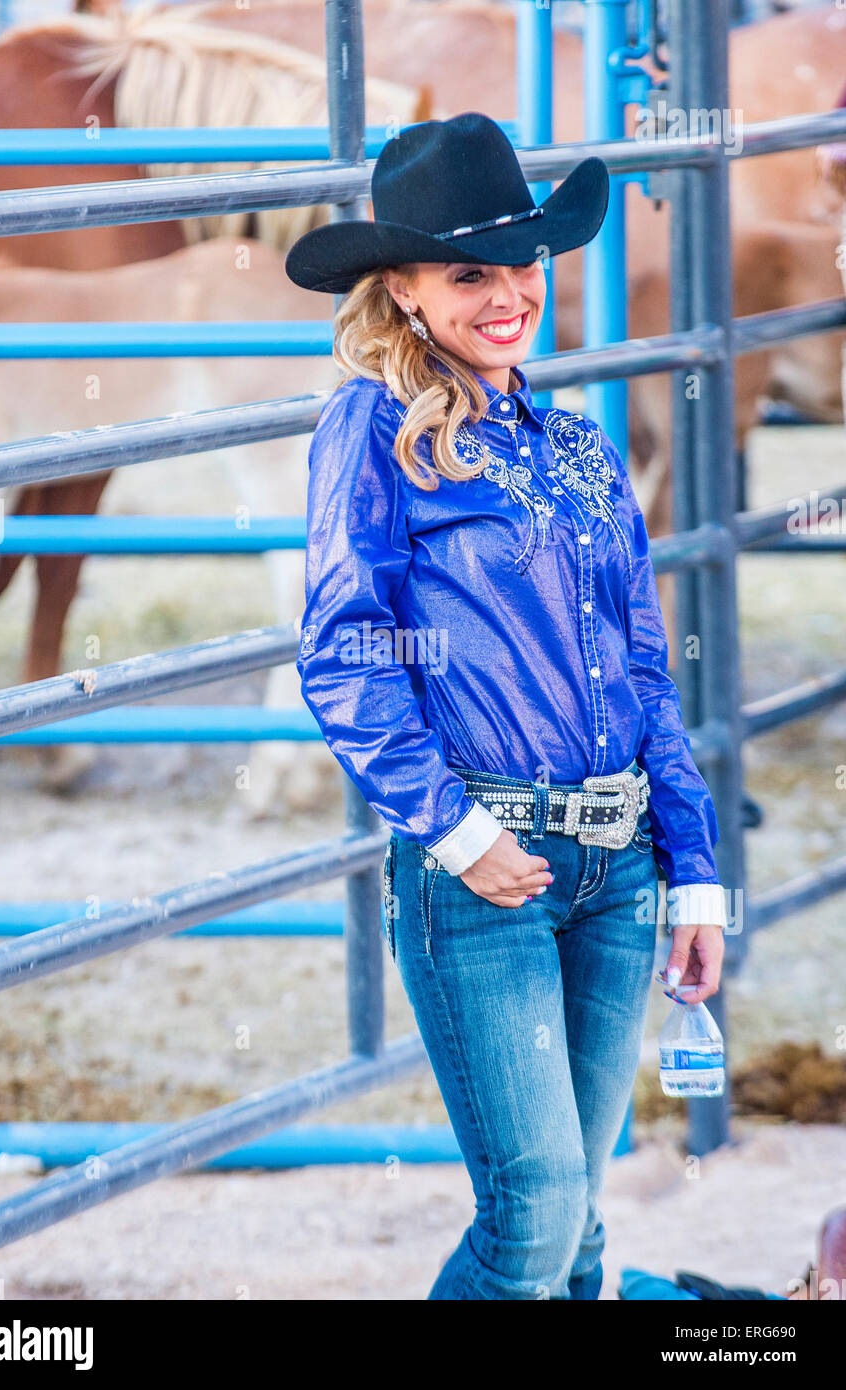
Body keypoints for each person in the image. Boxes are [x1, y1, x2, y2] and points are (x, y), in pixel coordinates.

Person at [284, 112, 729, 1301]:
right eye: (467, 272)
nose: (507, 294)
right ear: (404, 290)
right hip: (484, 864)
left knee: (578, 1223)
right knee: (532, 1216)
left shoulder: (578, 449)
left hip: (618, 866)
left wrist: (692, 867)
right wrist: (462, 833)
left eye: (521, 263)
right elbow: (342, 653)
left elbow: (644, 671)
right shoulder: (371, 433)